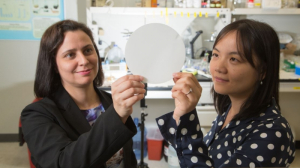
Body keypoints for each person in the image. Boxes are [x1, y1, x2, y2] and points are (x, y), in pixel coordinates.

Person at [156, 19, 296, 167]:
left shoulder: (272, 134)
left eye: (234, 59)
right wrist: (182, 115)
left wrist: (188, 122)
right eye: (216, 55)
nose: (218, 67)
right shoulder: (230, 108)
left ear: (262, 71)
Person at [21, 20, 146, 168]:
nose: (84, 60)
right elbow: (63, 163)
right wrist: (116, 115)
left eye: (88, 50)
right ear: (54, 65)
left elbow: (127, 157)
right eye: (70, 55)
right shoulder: (36, 114)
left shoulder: (112, 101)